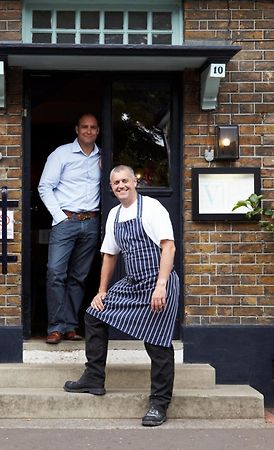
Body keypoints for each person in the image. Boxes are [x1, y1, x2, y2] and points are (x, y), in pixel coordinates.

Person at [64, 165, 179, 427]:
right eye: (116, 183)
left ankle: (159, 403)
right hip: (132, 283)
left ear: (135, 181)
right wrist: (102, 292)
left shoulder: (151, 208)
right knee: (94, 314)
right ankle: (94, 377)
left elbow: (168, 246)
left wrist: (161, 285)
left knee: (157, 343)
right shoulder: (114, 215)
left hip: (157, 283)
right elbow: (110, 255)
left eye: (125, 181)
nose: (121, 186)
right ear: (111, 187)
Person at [38, 113, 101, 345]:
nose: (88, 131)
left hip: (91, 222)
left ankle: (70, 326)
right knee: (55, 273)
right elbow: (45, 187)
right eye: (84, 126)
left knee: (79, 277)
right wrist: (59, 216)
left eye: (93, 127)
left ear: (98, 130)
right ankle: (55, 327)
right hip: (66, 221)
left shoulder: (103, 157)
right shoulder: (61, 154)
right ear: (77, 129)